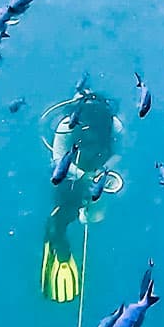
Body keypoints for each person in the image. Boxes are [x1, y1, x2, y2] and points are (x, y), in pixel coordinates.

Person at [40, 83, 124, 305]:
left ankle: (61, 242)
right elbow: (59, 161)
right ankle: (61, 247)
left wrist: (96, 176)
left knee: (80, 219)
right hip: (77, 178)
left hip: (93, 177)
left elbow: (117, 154)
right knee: (71, 218)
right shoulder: (73, 126)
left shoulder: (109, 125)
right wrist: (86, 176)